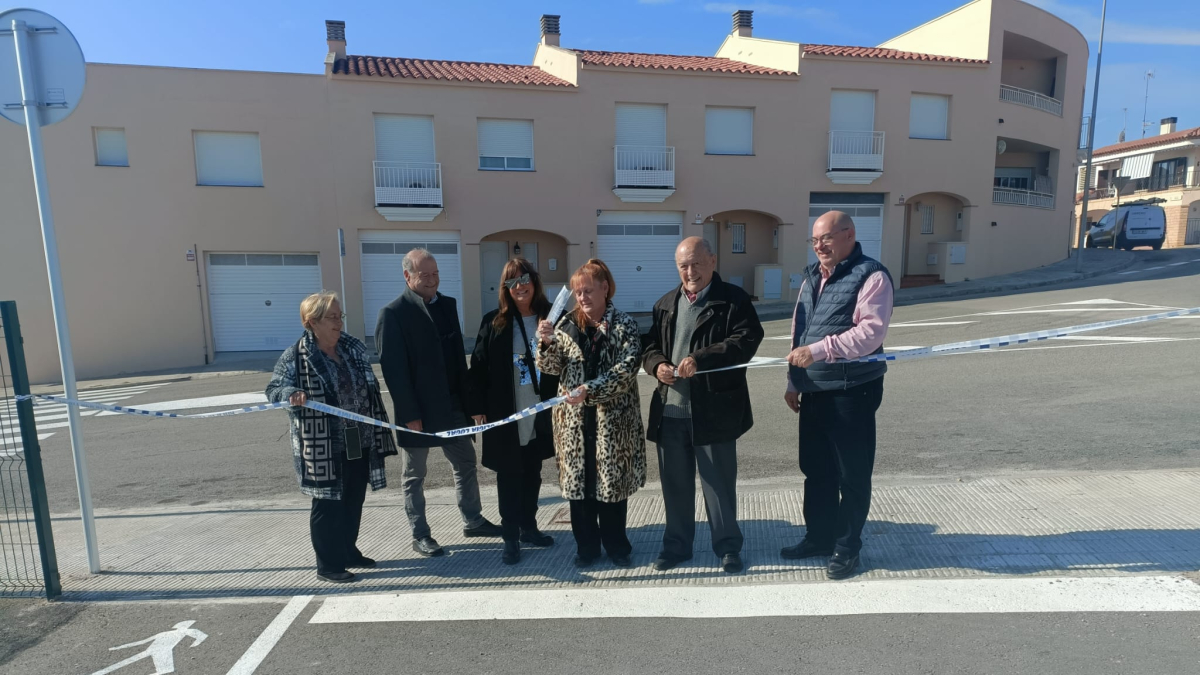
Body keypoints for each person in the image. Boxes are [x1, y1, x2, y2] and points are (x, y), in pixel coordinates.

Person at [780, 211, 893, 580]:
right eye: (814, 240)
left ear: (849, 235)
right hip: (813, 389)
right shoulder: (812, 276)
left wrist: (819, 351)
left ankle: (847, 547)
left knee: (852, 474)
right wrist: (794, 380)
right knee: (816, 470)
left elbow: (870, 334)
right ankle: (819, 537)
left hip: (851, 389)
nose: (819, 246)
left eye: (826, 238)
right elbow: (799, 329)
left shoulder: (871, 276)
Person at [642, 237, 764, 574]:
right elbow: (649, 345)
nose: (690, 271)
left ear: (712, 260)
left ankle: (728, 547)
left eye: (696, 263)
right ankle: (676, 546)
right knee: (675, 487)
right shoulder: (665, 304)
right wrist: (656, 365)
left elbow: (746, 340)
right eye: (683, 265)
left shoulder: (734, 300)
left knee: (719, 486)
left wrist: (700, 359)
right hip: (670, 411)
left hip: (714, 412)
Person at [375, 248, 502, 558]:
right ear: (407, 276)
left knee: (466, 463)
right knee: (414, 476)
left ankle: (472, 520)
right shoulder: (392, 314)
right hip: (417, 413)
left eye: (435, 274)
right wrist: (409, 414)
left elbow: (459, 361)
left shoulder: (447, 306)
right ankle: (420, 535)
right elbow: (394, 371)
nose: (432, 280)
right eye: (424, 275)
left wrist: (472, 405)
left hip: (452, 407)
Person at [266, 291, 398, 583]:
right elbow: (273, 390)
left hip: (359, 438)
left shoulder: (352, 350)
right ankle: (327, 564)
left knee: (353, 498)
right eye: (332, 318)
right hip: (322, 444)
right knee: (327, 504)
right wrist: (290, 393)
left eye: (340, 316)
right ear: (311, 322)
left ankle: (348, 551)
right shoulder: (295, 356)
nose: (339, 323)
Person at [536, 259, 646, 568]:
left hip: (613, 421)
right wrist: (546, 343)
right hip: (573, 422)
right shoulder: (566, 324)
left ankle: (617, 547)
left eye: (587, 290)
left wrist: (590, 389)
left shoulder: (623, 324)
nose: (582, 297)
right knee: (580, 490)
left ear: (605, 288)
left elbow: (627, 369)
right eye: (577, 292)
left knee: (611, 489)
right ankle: (586, 548)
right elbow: (550, 368)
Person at [465, 258, 560, 565]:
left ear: (535, 280)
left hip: (539, 408)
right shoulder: (495, 322)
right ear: (505, 288)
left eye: (524, 279)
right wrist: (477, 407)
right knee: (509, 474)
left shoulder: (551, 317)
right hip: (506, 410)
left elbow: (567, 358)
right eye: (512, 282)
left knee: (533, 470)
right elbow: (478, 366)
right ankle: (510, 537)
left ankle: (528, 527)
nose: (520, 287)